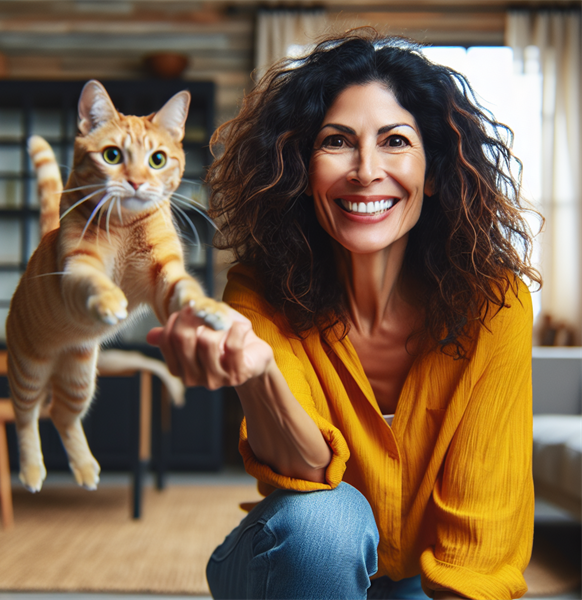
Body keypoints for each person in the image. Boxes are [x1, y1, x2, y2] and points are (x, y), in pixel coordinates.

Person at [147, 29, 542, 600]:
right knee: (325, 522)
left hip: (423, 582)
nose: (365, 170)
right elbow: (306, 478)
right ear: (301, 171)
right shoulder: (258, 292)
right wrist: (260, 377)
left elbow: (482, 544)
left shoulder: (495, 304)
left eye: (395, 141)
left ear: (432, 174)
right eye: (337, 141)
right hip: (296, 557)